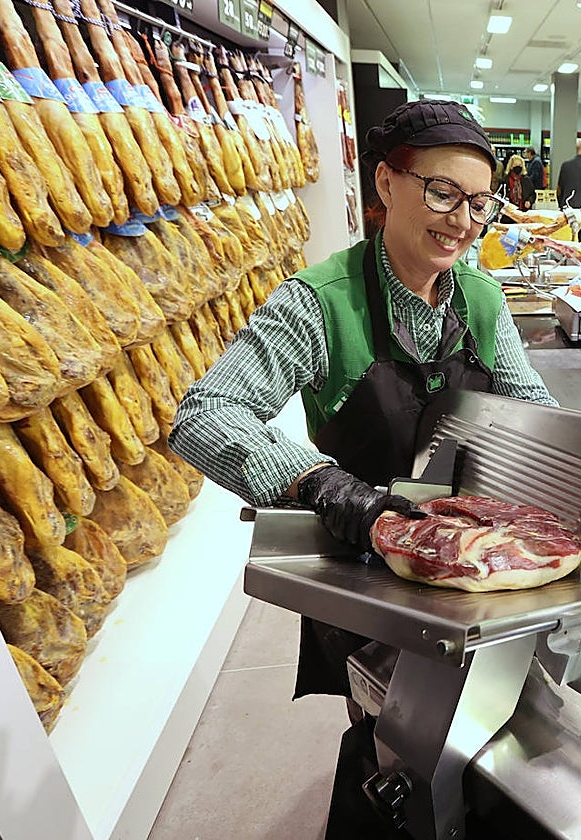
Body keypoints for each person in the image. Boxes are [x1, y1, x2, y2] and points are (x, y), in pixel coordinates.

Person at [169, 99, 557, 837]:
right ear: (386, 184)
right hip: (363, 566)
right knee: (388, 720)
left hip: (476, 563)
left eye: (481, 202)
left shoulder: (479, 297)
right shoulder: (318, 302)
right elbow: (205, 413)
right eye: (442, 192)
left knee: (483, 726)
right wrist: (323, 484)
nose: (463, 220)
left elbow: (534, 406)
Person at [500, 153, 534, 221]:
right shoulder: (505, 180)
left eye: (520, 165)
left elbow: (532, 194)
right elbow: (500, 196)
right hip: (509, 216)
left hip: (524, 214)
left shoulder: (526, 180)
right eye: (516, 165)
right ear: (511, 166)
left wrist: (529, 201)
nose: (518, 167)